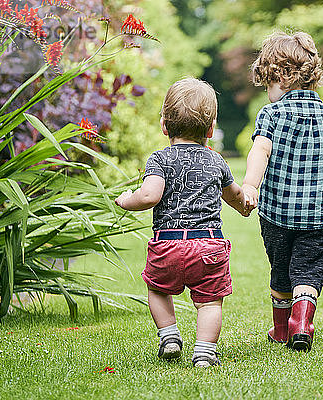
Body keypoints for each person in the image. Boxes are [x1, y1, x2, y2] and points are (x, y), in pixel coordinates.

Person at [115, 78, 248, 367]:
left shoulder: (160, 159)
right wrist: (245, 205)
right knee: (210, 301)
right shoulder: (217, 161)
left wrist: (127, 200)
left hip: (168, 245)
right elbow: (235, 195)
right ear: (211, 129)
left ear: (164, 126)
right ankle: (204, 351)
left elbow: (150, 195)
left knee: (157, 289)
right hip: (209, 246)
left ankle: (170, 335)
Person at [242, 31, 323, 351]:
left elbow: (260, 151)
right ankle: (302, 321)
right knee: (308, 273)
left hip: (277, 215)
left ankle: (281, 330)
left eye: (267, 84)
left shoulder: (271, 114)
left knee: (281, 273)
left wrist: (250, 185)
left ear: (278, 76)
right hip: (319, 219)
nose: (267, 93)